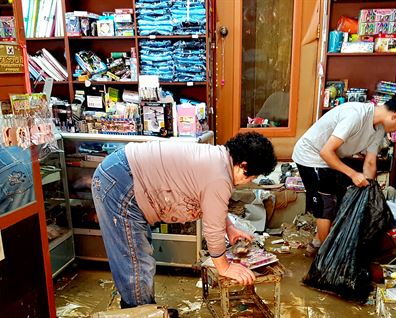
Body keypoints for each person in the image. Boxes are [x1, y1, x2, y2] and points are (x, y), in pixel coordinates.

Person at [92, 132, 277, 309]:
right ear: (243, 166)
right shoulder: (219, 176)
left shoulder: (220, 159)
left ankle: (148, 312)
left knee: (138, 257)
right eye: (251, 177)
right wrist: (225, 267)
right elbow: (212, 230)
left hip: (123, 174)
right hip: (121, 182)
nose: (249, 181)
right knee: (135, 261)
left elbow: (212, 207)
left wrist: (230, 229)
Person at [292, 90, 396, 256]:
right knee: (327, 203)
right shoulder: (356, 115)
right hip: (311, 155)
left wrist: (371, 189)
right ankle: (323, 253)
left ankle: (318, 243)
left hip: (331, 157)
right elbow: (325, 152)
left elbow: (370, 163)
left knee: (342, 197)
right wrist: (354, 175)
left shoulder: (379, 129)